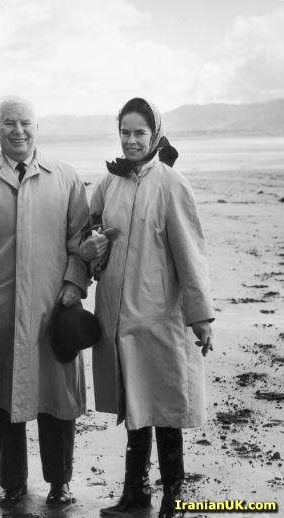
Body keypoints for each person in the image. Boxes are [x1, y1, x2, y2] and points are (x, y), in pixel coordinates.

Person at [83, 97, 214, 518]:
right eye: (125, 132)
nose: (132, 140)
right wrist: (92, 246)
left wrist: (200, 316)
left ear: (155, 133)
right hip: (117, 315)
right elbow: (87, 234)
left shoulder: (172, 183)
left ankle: (174, 497)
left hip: (160, 315)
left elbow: (190, 253)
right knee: (134, 403)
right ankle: (135, 493)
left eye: (140, 132)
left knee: (166, 405)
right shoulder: (109, 183)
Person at [0, 96, 91, 508]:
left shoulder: (66, 178)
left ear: (39, 127)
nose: (17, 130)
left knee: (58, 402)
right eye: (8, 123)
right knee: (8, 400)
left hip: (52, 310)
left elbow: (80, 242)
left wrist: (74, 282)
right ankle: (13, 483)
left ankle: (60, 482)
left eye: (25, 122)